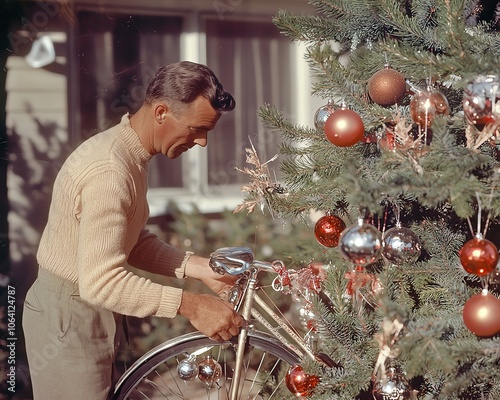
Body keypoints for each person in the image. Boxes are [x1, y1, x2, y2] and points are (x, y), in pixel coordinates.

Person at [22, 61, 244, 400]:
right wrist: (192, 305)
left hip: (86, 311)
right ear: (160, 112)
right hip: (68, 320)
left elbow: (130, 242)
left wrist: (198, 268)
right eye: (198, 128)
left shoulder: (132, 154)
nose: (201, 143)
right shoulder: (110, 171)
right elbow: (101, 281)